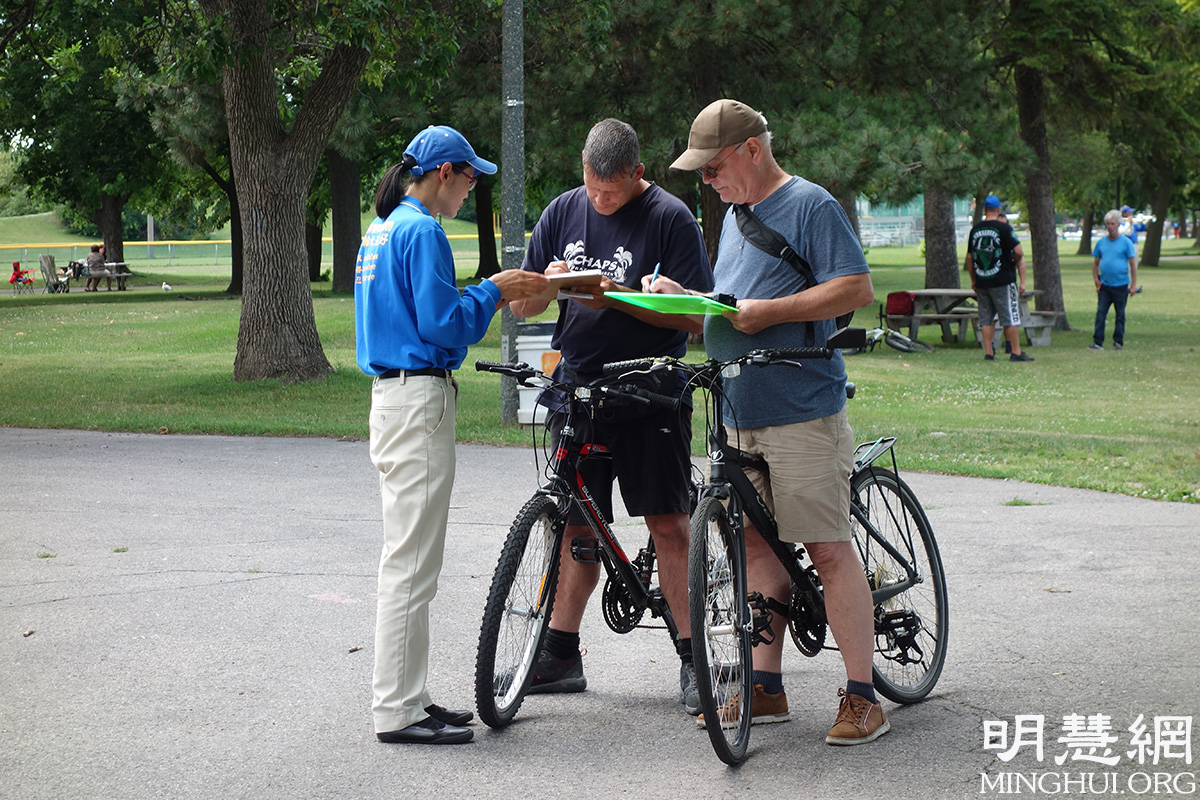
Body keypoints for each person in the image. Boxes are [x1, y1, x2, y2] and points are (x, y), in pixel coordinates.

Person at [657, 98, 885, 745]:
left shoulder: (811, 205)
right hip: (740, 409)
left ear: (752, 150)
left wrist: (768, 312)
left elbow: (855, 288)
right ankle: (766, 684)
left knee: (827, 549)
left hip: (801, 411)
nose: (707, 180)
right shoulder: (735, 217)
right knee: (756, 547)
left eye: (713, 167)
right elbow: (733, 305)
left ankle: (863, 697)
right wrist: (686, 300)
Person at [509, 118, 714, 714]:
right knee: (575, 526)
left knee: (667, 523)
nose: (600, 200)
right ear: (583, 167)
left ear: (637, 174)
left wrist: (619, 298)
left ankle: (693, 657)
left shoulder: (671, 218)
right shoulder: (561, 211)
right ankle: (559, 652)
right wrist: (546, 287)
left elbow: (697, 319)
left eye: (612, 191)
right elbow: (520, 306)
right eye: (593, 188)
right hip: (578, 390)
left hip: (650, 391)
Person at [354, 125, 549, 746]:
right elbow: (445, 326)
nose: (470, 190)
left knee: (409, 558)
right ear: (443, 173)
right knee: (412, 565)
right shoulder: (423, 231)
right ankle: (396, 709)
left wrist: (483, 293)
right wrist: (494, 291)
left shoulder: (383, 228)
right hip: (418, 399)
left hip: (393, 397)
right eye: (468, 178)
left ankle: (409, 697)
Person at [964, 195, 1034, 362]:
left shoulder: (975, 230)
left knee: (986, 318)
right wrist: (1014, 262)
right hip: (1003, 279)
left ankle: (989, 352)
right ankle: (1016, 352)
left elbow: (969, 257)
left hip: (982, 280)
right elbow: (1018, 251)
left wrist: (974, 279)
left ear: (985, 209)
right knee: (1010, 317)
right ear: (998, 209)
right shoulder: (1004, 228)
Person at [1089, 209, 1137, 351]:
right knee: (1101, 313)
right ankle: (1097, 342)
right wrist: (1096, 279)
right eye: (1108, 224)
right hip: (1105, 285)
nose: (1110, 227)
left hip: (1121, 285)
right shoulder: (1101, 243)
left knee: (1120, 314)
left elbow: (1132, 265)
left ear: (1118, 225)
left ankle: (1118, 341)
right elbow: (1096, 263)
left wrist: (1133, 285)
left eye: (1113, 224)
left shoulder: (1126, 243)